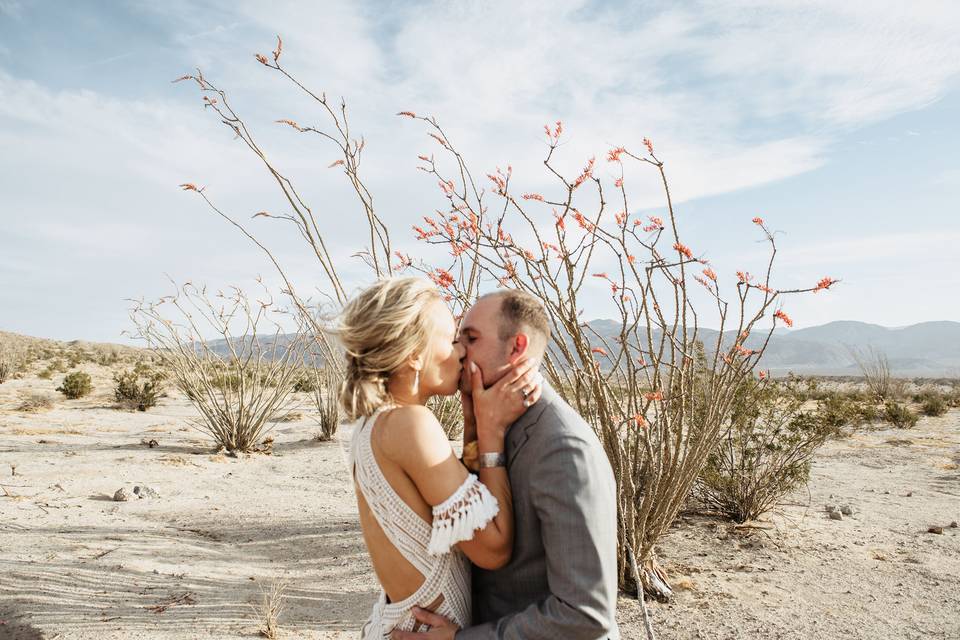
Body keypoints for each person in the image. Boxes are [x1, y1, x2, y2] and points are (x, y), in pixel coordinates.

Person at [392, 289, 620, 640]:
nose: (459, 351)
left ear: (516, 347)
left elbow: (585, 614)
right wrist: (475, 427)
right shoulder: (494, 422)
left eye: (471, 338)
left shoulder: (562, 449)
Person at [340, 277, 543, 638]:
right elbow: (493, 548)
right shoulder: (410, 423)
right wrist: (492, 434)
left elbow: (450, 510)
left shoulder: (373, 424)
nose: (462, 351)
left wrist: (472, 426)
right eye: (451, 340)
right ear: (414, 354)